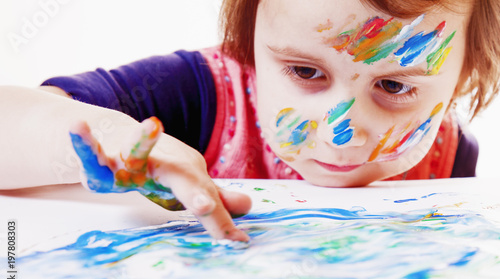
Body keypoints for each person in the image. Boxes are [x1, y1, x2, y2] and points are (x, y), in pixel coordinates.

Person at [1, 0, 499, 242]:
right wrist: (119, 139)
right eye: (305, 72)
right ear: (250, 44)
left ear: (463, 78)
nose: (337, 131)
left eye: (394, 86)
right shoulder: (194, 94)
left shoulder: (452, 158)